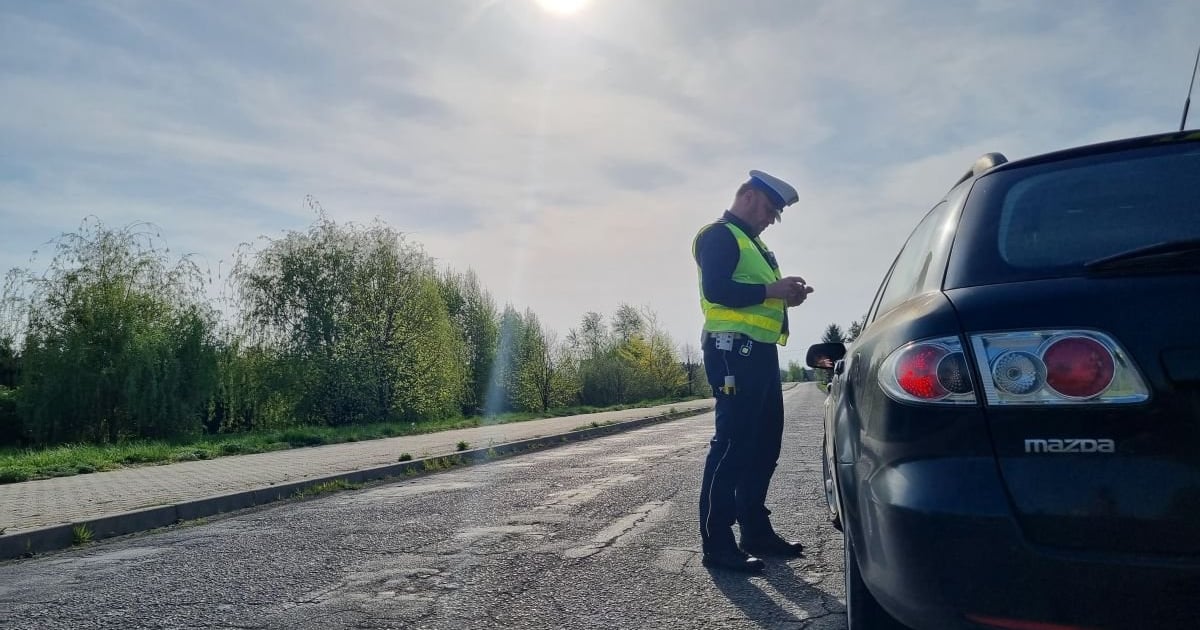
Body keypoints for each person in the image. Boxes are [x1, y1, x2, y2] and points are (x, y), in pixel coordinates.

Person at [692, 169, 813, 573]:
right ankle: (718, 543)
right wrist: (772, 290)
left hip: (758, 355)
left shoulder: (755, 245)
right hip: (731, 353)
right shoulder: (719, 235)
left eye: (776, 214)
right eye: (768, 209)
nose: (770, 219)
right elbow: (717, 290)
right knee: (732, 445)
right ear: (746, 195)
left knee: (764, 445)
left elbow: (756, 297)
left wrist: (787, 299)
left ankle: (755, 531)